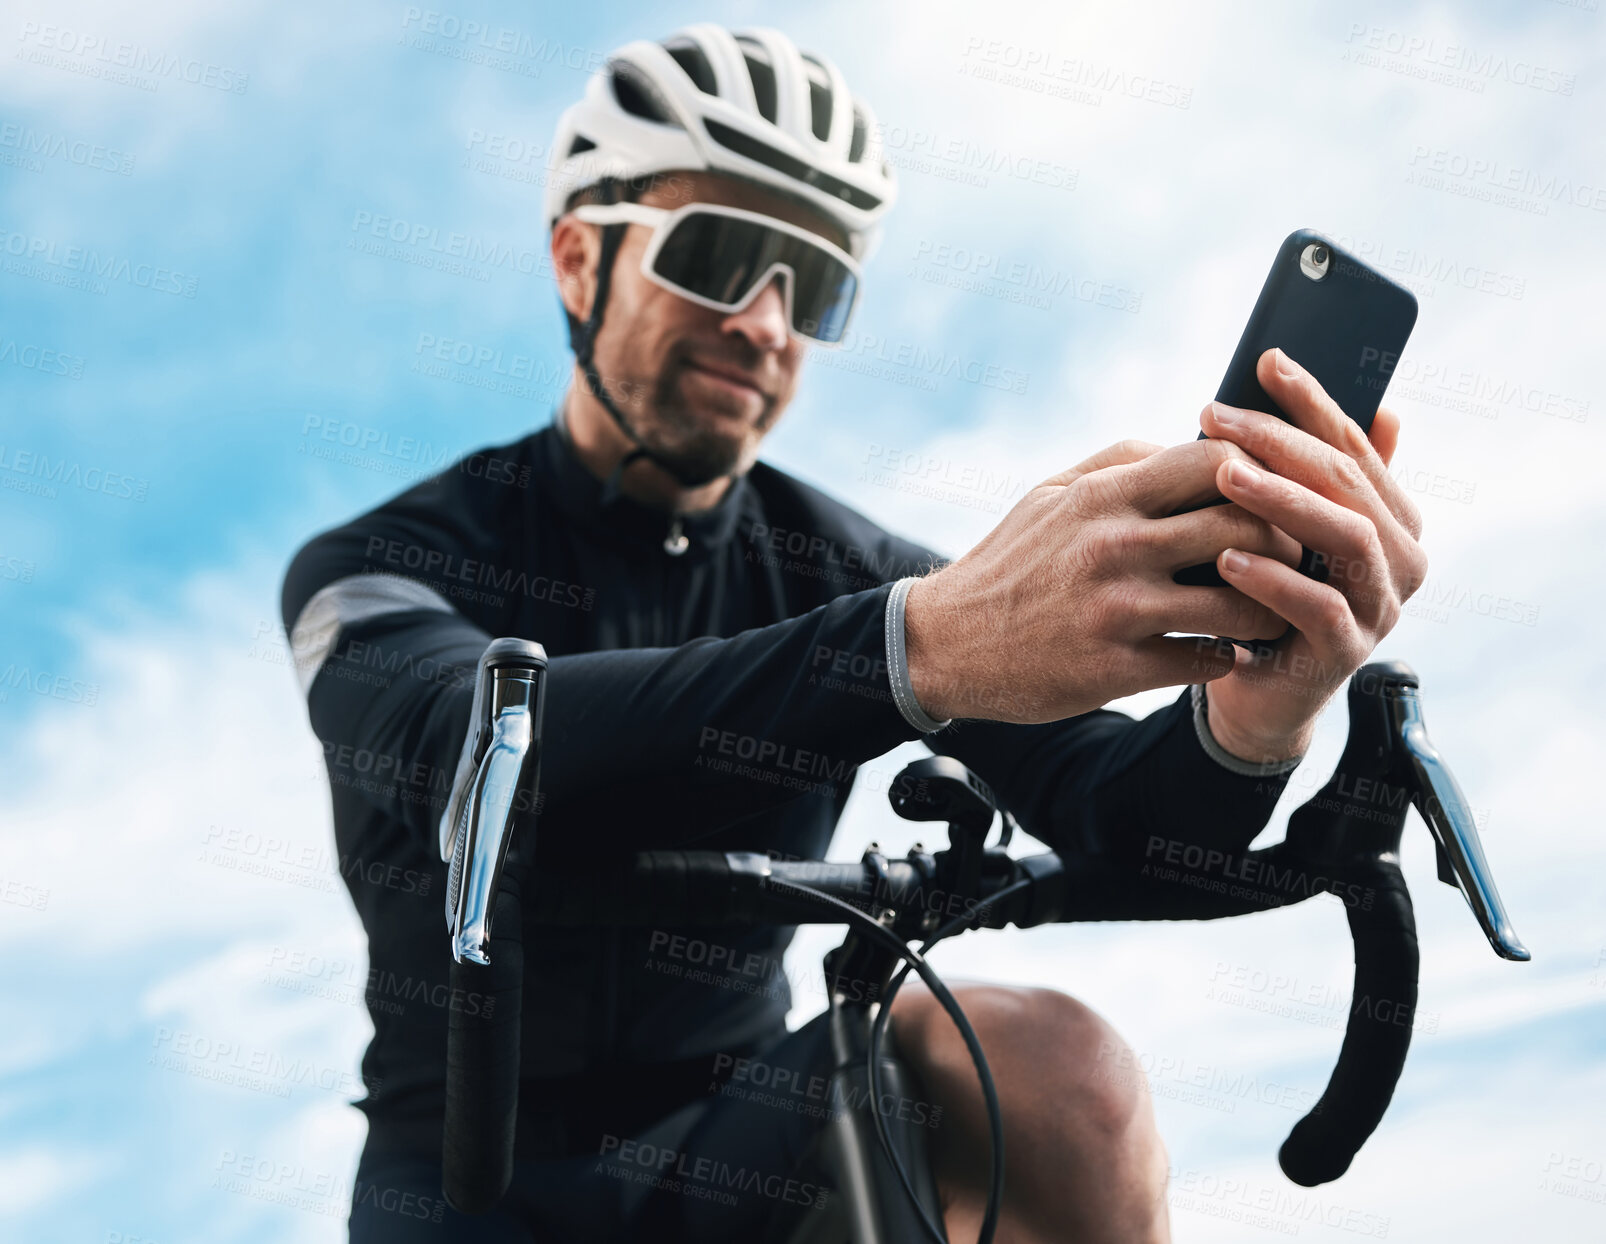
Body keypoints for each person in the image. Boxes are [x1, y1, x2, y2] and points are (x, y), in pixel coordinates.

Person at [281, 22, 1427, 1244]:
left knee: (1059, 1072)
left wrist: (1247, 723)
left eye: (812, 286)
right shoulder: (374, 560)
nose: (767, 323)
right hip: (458, 1179)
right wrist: (916, 648)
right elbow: (466, 749)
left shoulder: (847, 566)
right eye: (719, 255)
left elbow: (1113, 808)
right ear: (577, 260)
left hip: (737, 1143)